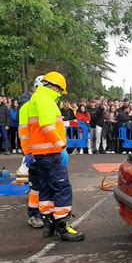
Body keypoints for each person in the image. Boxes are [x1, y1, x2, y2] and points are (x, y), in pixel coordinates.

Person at [27, 71, 84, 241]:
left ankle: (48, 224)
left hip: (40, 153)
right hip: (51, 152)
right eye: (60, 91)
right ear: (54, 87)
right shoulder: (45, 99)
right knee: (62, 188)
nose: (60, 94)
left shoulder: (36, 98)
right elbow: (47, 126)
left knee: (46, 188)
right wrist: (61, 146)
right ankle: (63, 226)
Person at [18, 75, 45, 229]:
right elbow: (24, 132)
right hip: (35, 153)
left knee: (46, 184)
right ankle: (34, 214)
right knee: (36, 185)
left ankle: (44, 212)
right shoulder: (27, 107)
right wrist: (28, 152)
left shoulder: (47, 104)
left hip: (48, 153)